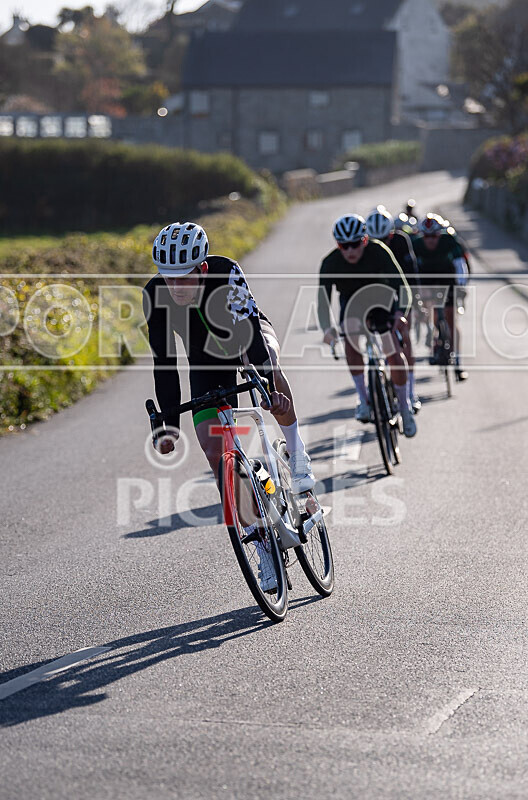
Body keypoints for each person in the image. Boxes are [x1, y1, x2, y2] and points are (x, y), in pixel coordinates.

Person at [143, 222, 315, 590]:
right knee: (216, 453)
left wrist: (268, 385)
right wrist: (168, 424)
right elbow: (165, 363)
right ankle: (262, 543)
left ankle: (297, 456)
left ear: (202, 269)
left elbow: (251, 332)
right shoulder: (154, 294)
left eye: (184, 278)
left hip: (247, 341)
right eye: (168, 278)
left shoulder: (225, 272)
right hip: (206, 365)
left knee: (270, 362)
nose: (175, 287)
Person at [318, 213, 417, 438]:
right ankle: (363, 399)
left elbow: (402, 285)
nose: (350, 251)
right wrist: (327, 329)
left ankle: (404, 407)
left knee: (392, 351)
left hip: (381, 300)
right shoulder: (330, 263)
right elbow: (322, 303)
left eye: (355, 244)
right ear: (338, 245)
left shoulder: (379, 250)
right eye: (344, 246)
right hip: (352, 304)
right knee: (349, 338)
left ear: (365, 240)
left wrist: (401, 313)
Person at [365, 206, 421, 412]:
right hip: (378, 293)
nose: (381, 245)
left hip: (401, 290)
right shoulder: (366, 247)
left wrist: (415, 300)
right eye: (375, 240)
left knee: (404, 336)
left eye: (385, 240)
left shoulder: (400, 241)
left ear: (391, 234)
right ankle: (379, 377)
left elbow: (411, 273)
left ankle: (411, 392)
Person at [413, 213, 469, 380]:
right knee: (429, 313)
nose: (430, 240)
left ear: (440, 234)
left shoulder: (450, 241)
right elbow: (411, 269)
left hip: (447, 279)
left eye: (434, 236)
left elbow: (461, 265)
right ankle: (434, 336)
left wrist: (461, 285)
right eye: (427, 236)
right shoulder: (416, 245)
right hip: (426, 281)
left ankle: (457, 362)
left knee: (451, 318)